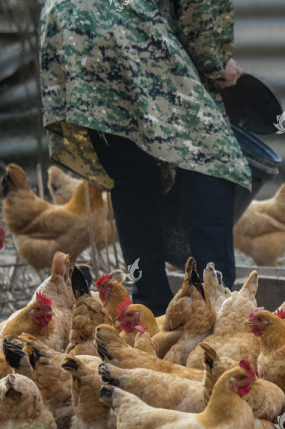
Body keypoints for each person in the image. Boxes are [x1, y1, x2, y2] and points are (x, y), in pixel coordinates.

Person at [39, 0, 249, 314]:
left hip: (67, 22)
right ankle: (214, 307)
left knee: (131, 167)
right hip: (123, 19)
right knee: (213, 155)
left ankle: (151, 305)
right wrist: (215, 60)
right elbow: (202, 8)